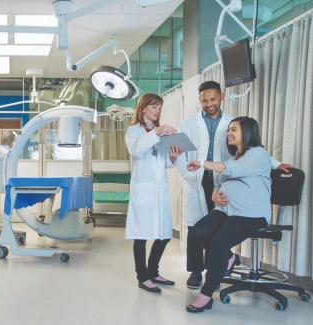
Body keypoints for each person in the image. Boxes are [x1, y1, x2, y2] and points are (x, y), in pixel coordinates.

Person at [174, 81, 292, 289]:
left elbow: (251, 150)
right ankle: (195, 272)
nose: (209, 104)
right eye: (204, 100)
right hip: (198, 177)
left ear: (221, 96)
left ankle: (215, 268)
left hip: (223, 177)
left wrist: (277, 163)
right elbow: (180, 154)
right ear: (199, 100)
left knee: (217, 224)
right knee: (195, 225)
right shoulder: (188, 124)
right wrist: (187, 175)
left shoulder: (232, 123)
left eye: (212, 99)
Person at [185, 116, 272, 312]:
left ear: (248, 132)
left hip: (250, 214)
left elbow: (228, 170)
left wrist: (201, 163)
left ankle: (205, 296)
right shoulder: (234, 157)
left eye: (234, 129)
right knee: (197, 232)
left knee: (218, 243)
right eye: (229, 130)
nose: (229, 133)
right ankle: (229, 258)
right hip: (226, 210)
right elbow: (221, 180)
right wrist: (216, 193)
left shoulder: (258, 154)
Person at [125, 93, 182, 294]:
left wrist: (173, 158)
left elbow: (164, 163)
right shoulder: (134, 131)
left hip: (159, 191)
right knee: (140, 235)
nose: (157, 111)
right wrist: (156, 132)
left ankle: (153, 272)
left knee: (164, 234)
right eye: (154, 106)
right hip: (143, 190)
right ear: (143, 109)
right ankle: (143, 277)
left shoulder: (163, 134)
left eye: (159, 107)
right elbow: (137, 150)